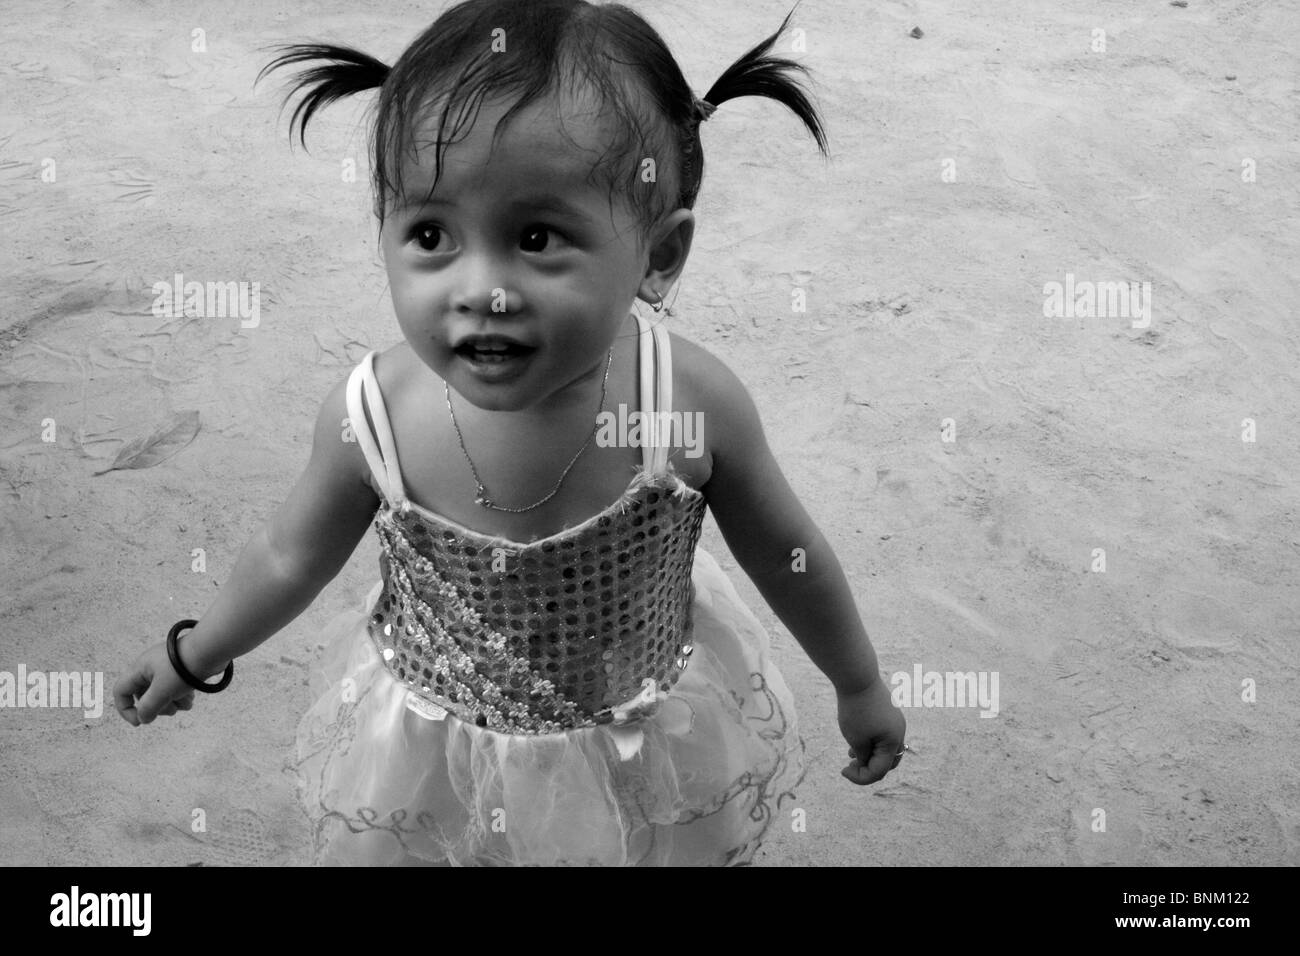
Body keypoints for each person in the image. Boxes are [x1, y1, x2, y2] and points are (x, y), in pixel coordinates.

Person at [114, 0, 907, 866]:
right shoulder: (371, 415)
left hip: (639, 737)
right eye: (430, 234)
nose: (482, 288)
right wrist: (196, 656)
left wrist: (858, 680)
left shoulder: (684, 402)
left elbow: (787, 548)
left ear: (659, 255)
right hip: (435, 754)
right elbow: (287, 556)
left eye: (536, 238)